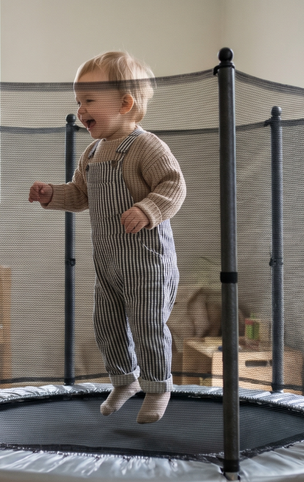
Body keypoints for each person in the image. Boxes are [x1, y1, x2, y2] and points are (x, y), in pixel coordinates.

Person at [28, 51, 186, 423]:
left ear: (126, 103)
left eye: (89, 101)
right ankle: (124, 380)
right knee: (108, 324)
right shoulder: (92, 152)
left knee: (147, 325)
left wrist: (148, 209)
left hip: (147, 263)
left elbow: (174, 185)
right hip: (110, 264)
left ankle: (158, 385)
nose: (81, 111)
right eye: (78, 102)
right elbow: (80, 194)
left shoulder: (147, 147)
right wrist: (52, 194)